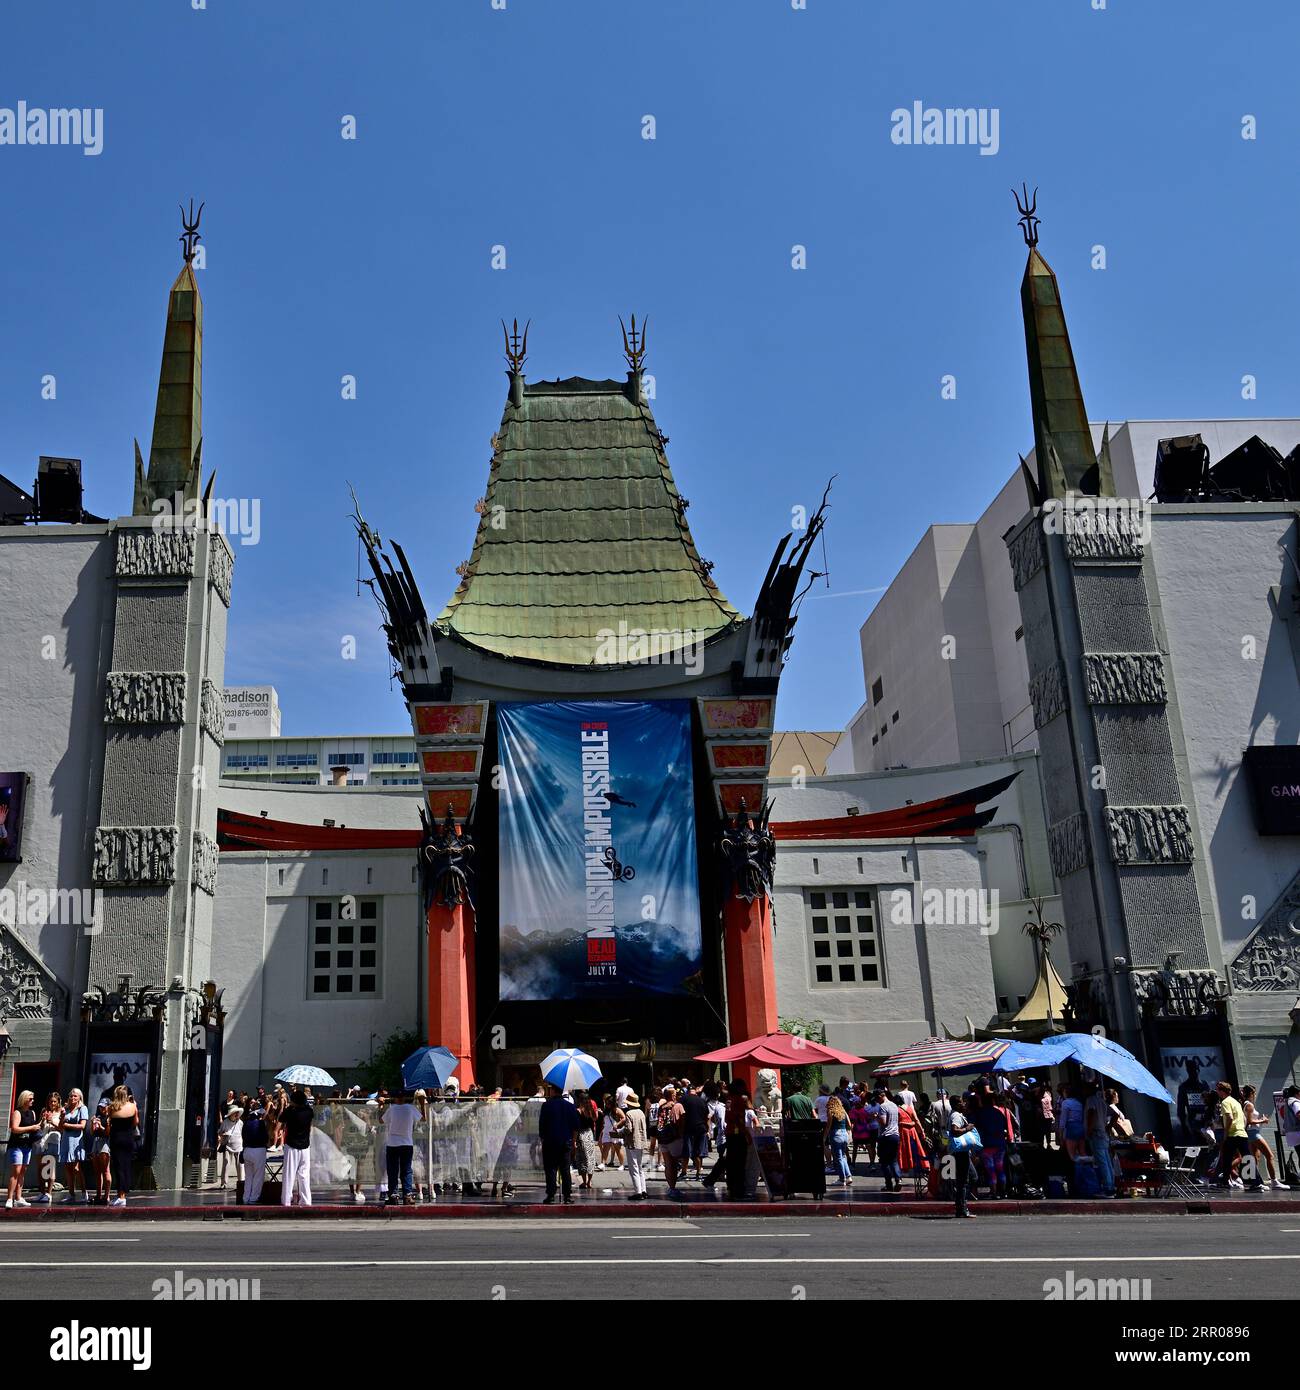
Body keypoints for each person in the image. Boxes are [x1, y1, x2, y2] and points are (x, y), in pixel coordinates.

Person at [538, 1083, 582, 1204]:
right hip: (565, 1141)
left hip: (550, 1141)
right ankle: (567, 1196)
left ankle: (551, 1195)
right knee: (565, 1169)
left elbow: (542, 1126)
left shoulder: (546, 1106)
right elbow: (576, 1127)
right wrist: (573, 1142)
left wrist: (542, 1140)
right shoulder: (570, 1106)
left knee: (551, 1169)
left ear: (553, 1091)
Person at [1241, 1085, 1288, 1190]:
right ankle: (1274, 1181)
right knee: (1270, 1156)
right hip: (1253, 1133)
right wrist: (1263, 1120)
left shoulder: (1246, 1104)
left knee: (1255, 1158)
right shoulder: (1249, 1105)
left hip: (1251, 1133)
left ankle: (1256, 1182)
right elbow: (1249, 1121)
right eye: (1255, 1093)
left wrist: (1260, 1120)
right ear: (1252, 1093)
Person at [381, 1089, 421, 1205]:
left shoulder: (391, 1109)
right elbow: (423, 1118)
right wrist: (422, 1104)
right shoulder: (410, 1108)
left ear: (395, 1098)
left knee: (393, 1170)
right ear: (404, 1098)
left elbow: (381, 1120)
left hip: (392, 1143)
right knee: (406, 1170)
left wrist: (381, 1106)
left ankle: (393, 1195)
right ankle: (407, 1195)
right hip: (406, 1143)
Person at [973, 1090, 1013, 1197]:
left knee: (990, 1169)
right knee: (1000, 1168)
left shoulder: (979, 1114)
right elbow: (1005, 1126)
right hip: (1000, 1144)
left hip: (986, 1145)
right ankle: (1003, 1191)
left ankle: (994, 1191)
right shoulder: (999, 1112)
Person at [279, 1087, 314, 1207]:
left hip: (292, 1145)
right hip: (305, 1146)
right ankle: (306, 1200)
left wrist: (287, 1107)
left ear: (294, 1101)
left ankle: (286, 1200)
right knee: (304, 1175)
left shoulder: (290, 1111)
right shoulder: (309, 1112)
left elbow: (281, 1118)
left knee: (289, 1174)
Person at [5, 1089, 39, 1209]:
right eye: (30, 1099)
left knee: (23, 1172)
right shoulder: (17, 1112)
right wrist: (32, 1127)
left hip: (27, 1146)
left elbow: (35, 1129)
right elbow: (14, 1129)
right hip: (17, 1145)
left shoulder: (33, 1113)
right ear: (24, 1099)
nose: (32, 1101)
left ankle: (18, 1197)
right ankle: (9, 1198)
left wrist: (42, 1123)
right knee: (16, 1171)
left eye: (33, 1099)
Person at [723, 1081, 758, 1199]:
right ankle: (739, 1189)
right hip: (738, 1134)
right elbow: (739, 1119)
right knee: (740, 1163)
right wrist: (747, 1134)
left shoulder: (728, 1100)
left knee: (731, 1162)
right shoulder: (739, 1099)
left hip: (730, 1133)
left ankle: (731, 1187)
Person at [106, 1084, 138, 1207]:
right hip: (129, 1139)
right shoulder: (133, 1106)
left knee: (118, 1167)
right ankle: (124, 1192)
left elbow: (109, 1123)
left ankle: (121, 1195)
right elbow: (136, 1123)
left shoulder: (112, 1107)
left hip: (117, 1138)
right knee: (126, 1166)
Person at [613, 1092, 648, 1199]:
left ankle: (638, 1192)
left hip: (632, 1142)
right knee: (640, 1168)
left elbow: (629, 1129)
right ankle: (643, 1190)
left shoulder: (629, 1114)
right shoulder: (641, 1112)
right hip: (641, 1142)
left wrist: (619, 1132)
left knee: (633, 1169)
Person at [1215, 1081, 1249, 1190]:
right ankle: (1255, 1182)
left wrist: (1226, 1133)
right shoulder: (1236, 1102)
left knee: (1227, 1158)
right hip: (1242, 1133)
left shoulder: (1225, 1102)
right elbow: (1244, 1118)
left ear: (1221, 1091)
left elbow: (1229, 1117)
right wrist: (1242, 1128)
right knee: (1247, 1158)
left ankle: (1225, 1181)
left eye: (1218, 1090)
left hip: (1232, 1134)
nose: (1217, 1092)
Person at [947, 1094, 977, 1218]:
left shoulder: (958, 1115)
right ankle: (962, 1209)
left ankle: (961, 1206)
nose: (963, 1104)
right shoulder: (956, 1116)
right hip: (960, 1153)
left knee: (971, 1177)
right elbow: (954, 1130)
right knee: (964, 1180)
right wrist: (968, 1128)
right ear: (955, 1104)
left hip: (962, 1152)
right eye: (961, 1102)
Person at [1083, 1083, 1116, 1197]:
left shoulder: (1090, 1100)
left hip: (1096, 1134)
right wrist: (1108, 1127)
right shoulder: (1101, 1101)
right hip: (1103, 1134)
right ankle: (1111, 1186)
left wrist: (1089, 1130)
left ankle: (1108, 1189)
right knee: (1107, 1161)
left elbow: (1091, 1113)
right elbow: (1115, 1114)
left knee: (1102, 1162)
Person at [655, 1084, 686, 1197]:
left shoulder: (661, 1107)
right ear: (672, 1096)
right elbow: (682, 1121)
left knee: (668, 1164)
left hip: (662, 1138)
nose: (676, 1096)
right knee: (674, 1164)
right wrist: (681, 1134)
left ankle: (670, 1187)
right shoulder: (678, 1106)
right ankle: (673, 1188)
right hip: (674, 1138)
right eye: (675, 1094)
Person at [59, 1089, 88, 1204]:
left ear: (79, 1097)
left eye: (75, 1096)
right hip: (66, 1140)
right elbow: (61, 1126)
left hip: (76, 1141)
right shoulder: (65, 1109)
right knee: (68, 1168)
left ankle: (84, 1192)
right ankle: (71, 1194)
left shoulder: (82, 1108)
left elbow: (82, 1125)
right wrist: (62, 1117)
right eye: (71, 1096)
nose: (72, 1098)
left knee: (76, 1168)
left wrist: (67, 1125)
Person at [33, 1091, 63, 1203]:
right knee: (41, 1168)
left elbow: (61, 1128)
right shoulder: (44, 1110)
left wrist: (52, 1121)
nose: (52, 1103)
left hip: (53, 1141)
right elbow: (40, 1127)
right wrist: (43, 1120)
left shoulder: (61, 1112)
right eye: (50, 1101)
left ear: (58, 1102)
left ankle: (48, 1193)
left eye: (54, 1101)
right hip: (42, 1141)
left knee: (50, 1168)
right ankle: (41, 1192)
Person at [241, 1101, 269, 1203]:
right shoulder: (261, 1124)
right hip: (258, 1150)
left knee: (248, 1177)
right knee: (258, 1176)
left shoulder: (246, 1123)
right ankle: (253, 1198)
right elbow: (265, 1138)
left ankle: (245, 1198)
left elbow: (243, 1137)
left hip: (247, 1150)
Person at [571, 1090, 600, 1190]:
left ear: (580, 1100)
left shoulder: (578, 1111)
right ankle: (589, 1182)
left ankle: (584, 1182)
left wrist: (574, 1141)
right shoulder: (590, 1110)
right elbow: (595, 1119)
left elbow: (576, 1127)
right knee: (590, 1158)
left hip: (581, 1135)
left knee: (582, 1159)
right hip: (589, 1134)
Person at [875, 1087, 902, 1192]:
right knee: (894, 1160)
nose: (876, 1101)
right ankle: (898, 1179)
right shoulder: (894, 1105)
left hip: (885, 1136)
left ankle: (889, 1184)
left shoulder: (883, 1106)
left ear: (881, 1096)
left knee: (884, 1161)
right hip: (895, 1135)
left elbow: (883, 1122)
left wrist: (876, 1117)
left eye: (877, 1099)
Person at [682, 1083, 711, 1179]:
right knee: (698, 1152)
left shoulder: (684, 1099)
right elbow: (707, 1116)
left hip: (688, 1128)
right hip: (701, 1128)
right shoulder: (702, 1101)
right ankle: (698, 1173)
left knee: (686, 1152)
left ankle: (684, 1172)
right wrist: (708, 1130)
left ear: (688, 1090)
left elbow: (681, 1115)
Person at [825, 1094, 853, 1186]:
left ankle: (842, 1179)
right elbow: (849, 1123)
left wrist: (824, 1137)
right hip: (844, 1134)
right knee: (843, 1156)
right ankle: (848, 1176)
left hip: (836, 1134)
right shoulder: (843, 1111)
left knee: (838, 1157)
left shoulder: (831, 1111)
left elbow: (828, 1126)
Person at [217, 1105, 244, 1189]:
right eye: (234, 1113)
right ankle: (224, 1183)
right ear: (230, 1114)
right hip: (228, 1145)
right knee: (226, 1163)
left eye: (237, 1113)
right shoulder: (225, 1122)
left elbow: (243, 1133)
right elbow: (220, 1132)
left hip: (239, 1146)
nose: (236, 1114)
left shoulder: (240, 1122)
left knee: (240, 1165)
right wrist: (222, 1135)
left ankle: (241, 1182)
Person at [1057, 1084, 1085, 1160]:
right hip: (1081, 1128)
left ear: (1066, 1093)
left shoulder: (1066, 1102)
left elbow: (1063, 1120)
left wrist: (1060, 1135)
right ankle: (1087, 1170)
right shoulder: (1079, 1103)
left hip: (1071, 1128)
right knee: (1082, 1153)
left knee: (1073, 1156)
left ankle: (1078, 1170)